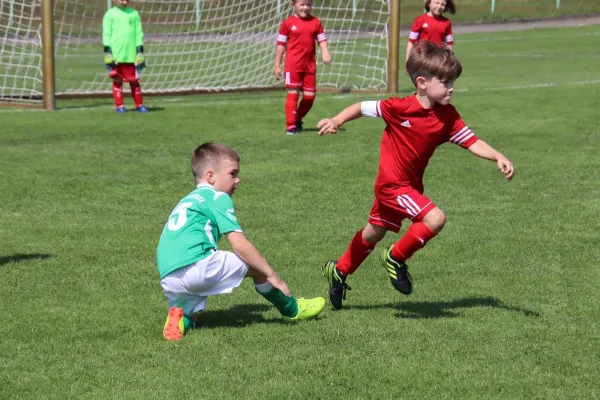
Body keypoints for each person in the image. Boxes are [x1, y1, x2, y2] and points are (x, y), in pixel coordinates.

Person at [316, 41, 514, 310]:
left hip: (408, 187)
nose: (451, 87)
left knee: (373, 234)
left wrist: (498, 156)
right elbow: (362, 107)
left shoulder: (447, 117)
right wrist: (336, 120)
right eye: (445, 82)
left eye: (452, 81)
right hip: (392, 185)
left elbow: (471, 141)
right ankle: (396, 258)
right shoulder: (399, 107)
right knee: (435, 218)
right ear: (422, 83)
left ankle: (338, 271)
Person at [157, 142, 326, 340]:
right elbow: (239, 243)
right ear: (210, 176)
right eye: (232, 173)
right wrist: (272, 274)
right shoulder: (217, 197)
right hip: (198, 265)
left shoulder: (186, 200)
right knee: (257, 264)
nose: (237, 180)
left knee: (192, 314)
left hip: (168, 276)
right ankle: (293, 309)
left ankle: (181, 320)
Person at [274, 0, 331, 135]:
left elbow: (322, 39)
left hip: (309, 66)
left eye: (308, 5)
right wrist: (277, 65)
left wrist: (325, 51)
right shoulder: (287, 23)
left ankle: (297, 118)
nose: (305, 8)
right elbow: (280, 45)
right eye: (302, 4)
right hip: (292, 65)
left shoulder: (316, 22)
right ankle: (290, 126)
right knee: (293, 94)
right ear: (293, 4)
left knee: (310, 97)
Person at [102, 0, 149, 113]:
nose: (124, 2)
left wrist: (140, 52)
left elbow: (139, 33)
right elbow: (106, 34)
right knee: (117, 80)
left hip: (132, 56)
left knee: (134, 81)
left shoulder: (134, 14)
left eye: (127, 0)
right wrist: (107, 52)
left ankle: (139, 105)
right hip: (116, 56)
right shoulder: (110, 14)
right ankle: (120, 106)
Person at [406, 0, 456, 65]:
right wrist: (408, 61)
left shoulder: (447, 22)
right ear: (429, 4)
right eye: (437, 3)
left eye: (442, 4)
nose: (439, 6)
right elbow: (411, 42)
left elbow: (448, 45)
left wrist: (450, 61)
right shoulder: (419, 20)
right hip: (422, 58)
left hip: (438, 60)